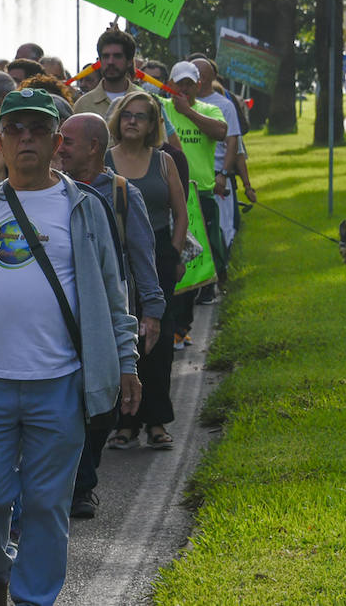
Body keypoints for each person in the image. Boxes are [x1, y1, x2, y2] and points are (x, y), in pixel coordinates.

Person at [0, 89, 140, 606]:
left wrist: (126, 364)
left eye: (37, 129)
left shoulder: (85, 207)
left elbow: (114, 294)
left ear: (57, 141)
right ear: (1, 141)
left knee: (47, 502)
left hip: (59, 382)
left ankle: (35, 597)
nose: (24, 138)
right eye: (14, 130)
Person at [54, 111, 168, 520]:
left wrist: (151, 313)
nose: (58, 146)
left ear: (93, 148)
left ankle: (83, 480)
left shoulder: (121, 193)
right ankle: (76, 486)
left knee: (101, 402)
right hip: (59, 318)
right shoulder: (51, 191)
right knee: (65, 401)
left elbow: (142, 256)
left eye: (66, 140)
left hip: (105, 316)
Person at [102, 93, 188, 455]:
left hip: (158, 258)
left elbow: (181, 213)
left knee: (159, 338)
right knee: (122, 337)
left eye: (142, 117)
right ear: (118, 120)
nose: (133, 122)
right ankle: (124, 423)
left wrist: (175, 253)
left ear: (153, 124)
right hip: (114, 257)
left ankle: (156, 421)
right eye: (127, 116)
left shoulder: (165, 161)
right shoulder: (104, 161)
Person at [161, 61, 227, 347]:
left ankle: (183, 326)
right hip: (168, 194)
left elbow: (221, 132)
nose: (184, 88)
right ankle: (172, 324)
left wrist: (187, 112)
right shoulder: (161, 107)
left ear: (198, 85)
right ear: (171, 84)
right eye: (180, 83)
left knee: (196, 263)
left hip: (201, 197)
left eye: (189, 83)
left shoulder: (210, 110)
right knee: (174, 258)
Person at [191, 58, 242, 255]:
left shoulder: (224, 106)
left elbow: (232, 143)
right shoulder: (178, 104)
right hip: (191, 180)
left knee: (220, 231)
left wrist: (223, 173)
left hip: (216, 180)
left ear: (202, 79)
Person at [72, 27, 144, 117]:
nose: (110, 62)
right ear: (100, 60)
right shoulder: (83, 105)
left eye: (117, 56)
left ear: (129, 61)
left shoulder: (145, 101)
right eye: (106, 56)